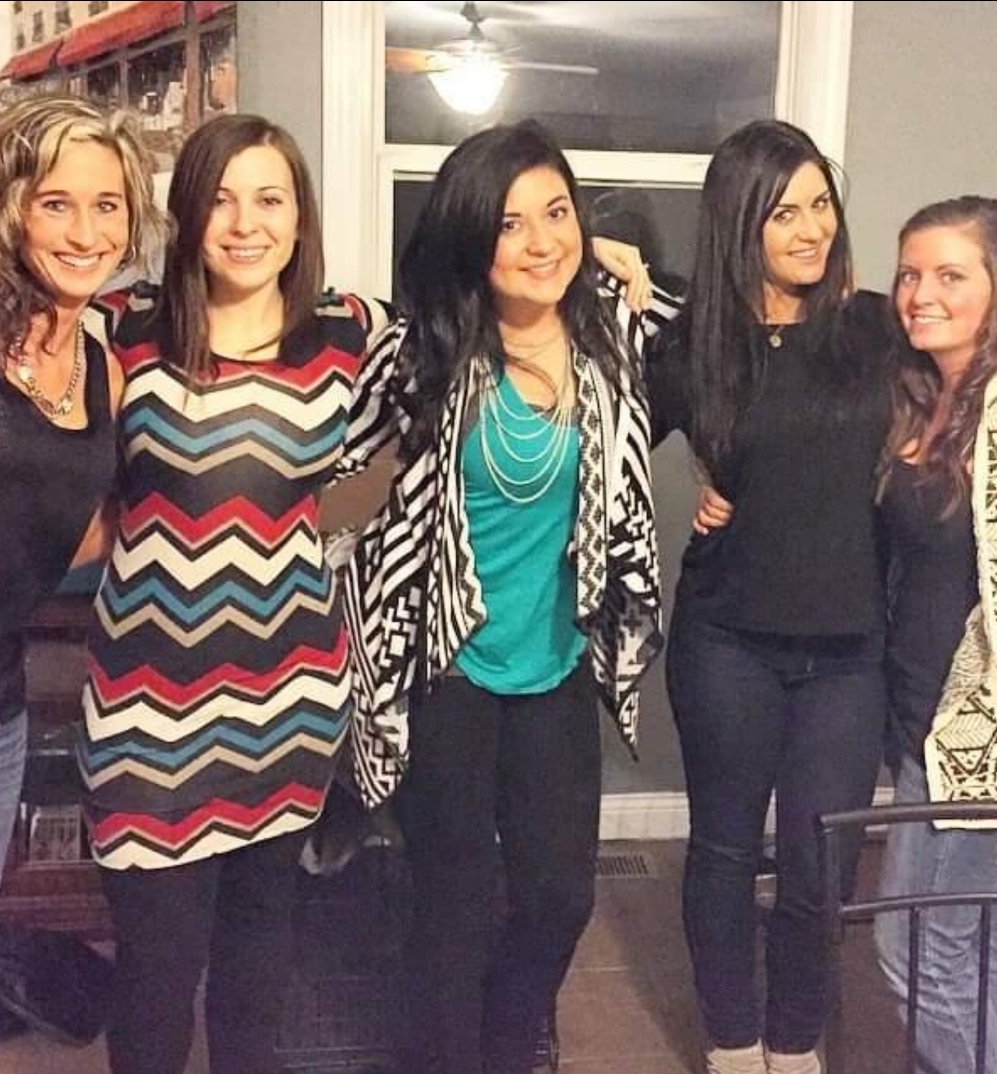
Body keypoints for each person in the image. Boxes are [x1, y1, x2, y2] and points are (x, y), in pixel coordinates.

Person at [338, 118, 670, 1074]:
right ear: (470, 238)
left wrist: (608, 255)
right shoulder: (420, 357)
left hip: (554, 665)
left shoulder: (614, 338)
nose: (539, 242)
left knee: (559, 898)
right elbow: (342, 497)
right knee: (451, 905)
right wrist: (372, 507)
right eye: (510, 224)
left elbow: (732, 334)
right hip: (447, 668)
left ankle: (506, 1040)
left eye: (557, 214)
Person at [74, 112, 396, 1074]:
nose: (246, 223)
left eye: (269, 199)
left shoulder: (351, 332)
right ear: (186, 213)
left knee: (258, 972)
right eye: (220, 199)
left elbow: (456, 366)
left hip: (289, 704)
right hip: (144, 713)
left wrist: (601, 259)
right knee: (156, 983)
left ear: (300, 216)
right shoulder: (121, 327)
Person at [642, 119, 895, 1074]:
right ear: (738, 222)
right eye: (782, 212)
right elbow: (598, 435)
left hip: (849, 652)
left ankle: (794, 1047)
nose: (810, 228)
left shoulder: (875, 330)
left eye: (820, 204)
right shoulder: (694, 348)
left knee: (818, 869)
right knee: (722, 850)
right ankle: (732, 1042)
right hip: (728, 642)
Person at [0, 94, 159, 1074]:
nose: (85, 231)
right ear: (8, 204)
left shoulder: (102, 366)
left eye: (108, 205)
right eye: (56, 202)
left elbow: (74, 526)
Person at [874, 195, 997, 1074]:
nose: (921, 294)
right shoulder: (923, 396)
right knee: (985, 954)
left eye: (951, 275)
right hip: (924, 718)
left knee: (916, 951)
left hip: (980, 737)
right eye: (910, 274)